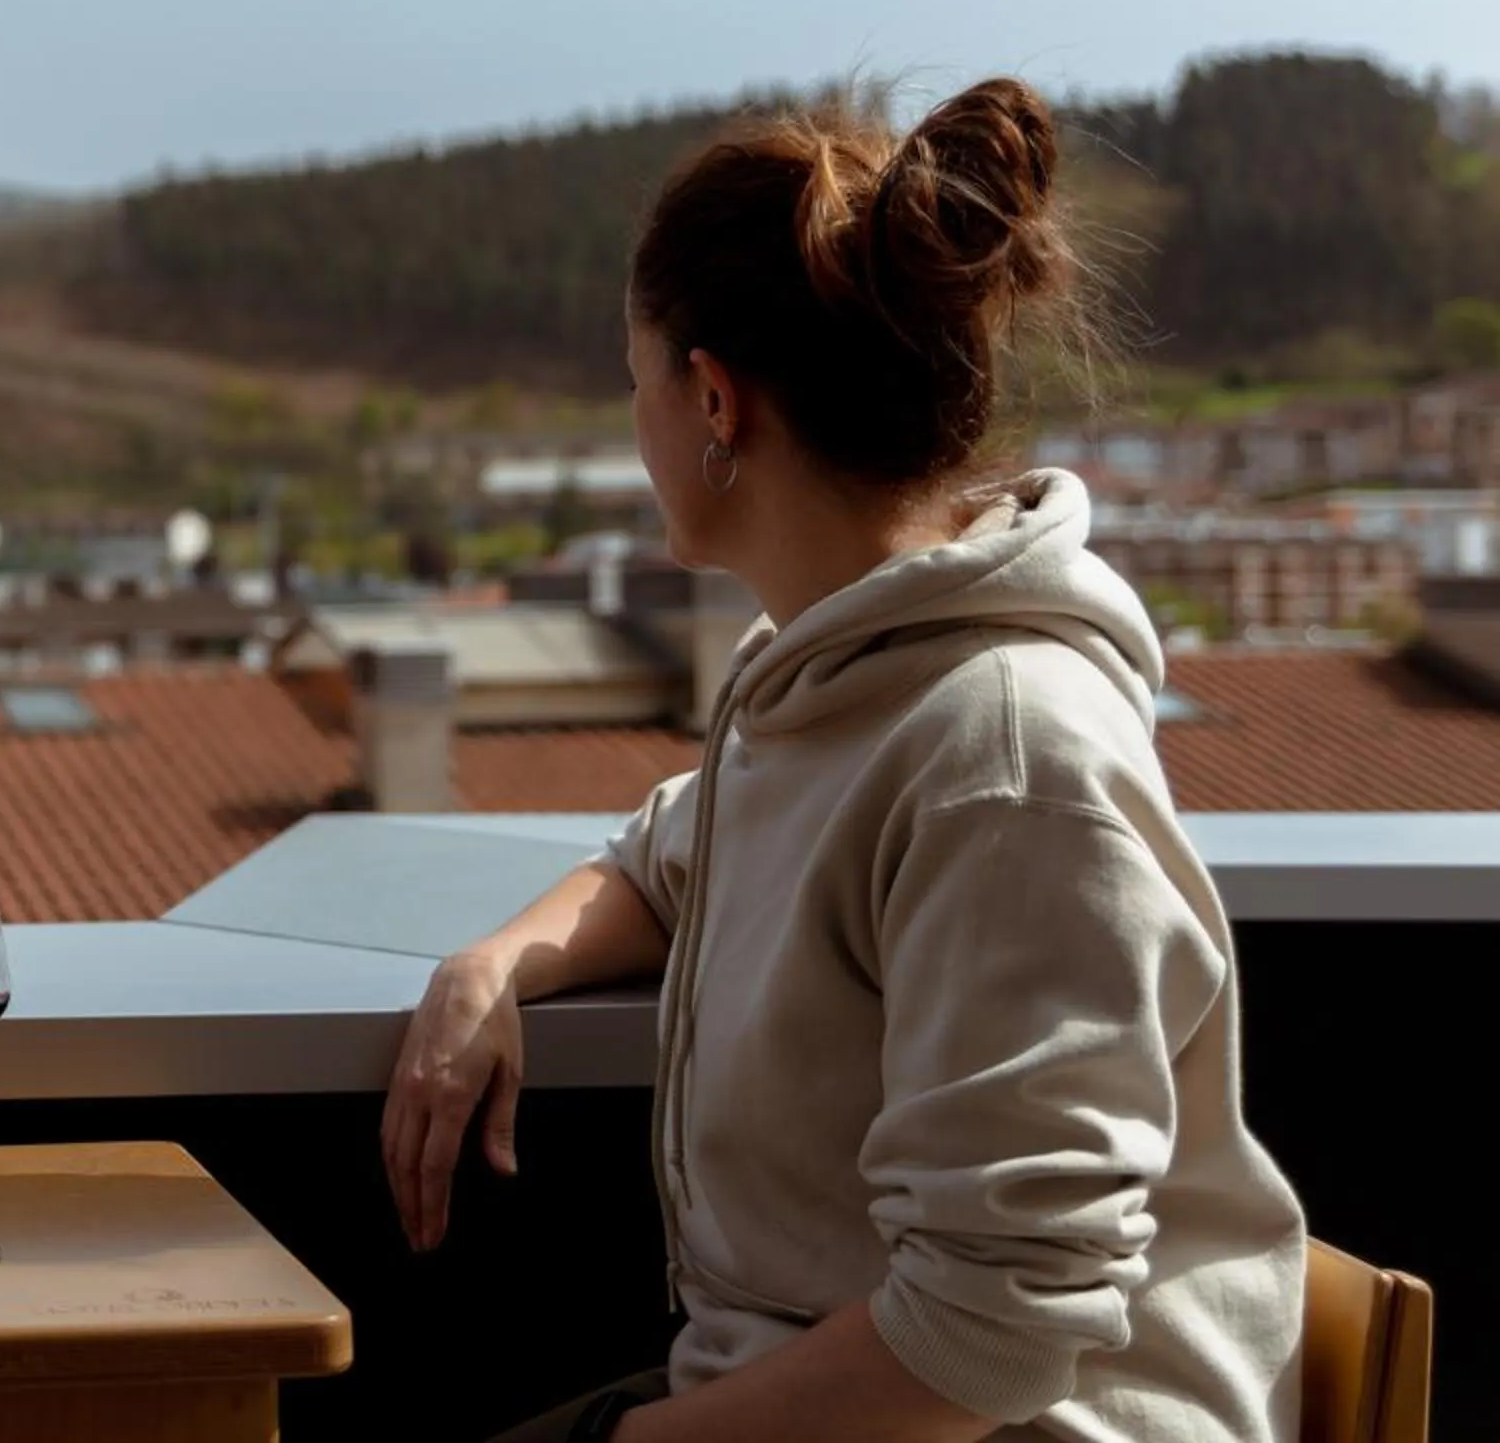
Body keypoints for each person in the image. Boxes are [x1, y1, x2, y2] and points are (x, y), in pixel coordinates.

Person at [384, 80, 1305, 1442]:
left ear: (712, 402)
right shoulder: (831, 673)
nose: (634, 428)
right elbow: (680, 853)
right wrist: (501, 964)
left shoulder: (1004, 751)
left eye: (633, 381)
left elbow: (996, 1329)